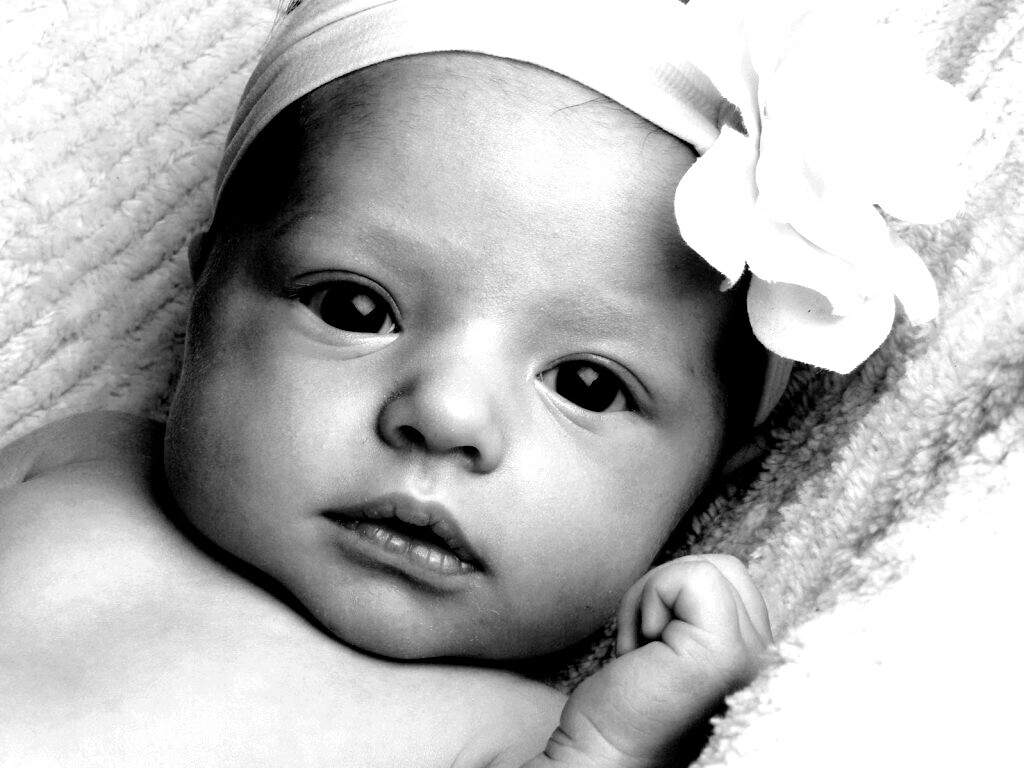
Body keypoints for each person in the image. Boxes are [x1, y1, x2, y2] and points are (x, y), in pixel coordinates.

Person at [0, 0, 972, 765]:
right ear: (204, 294)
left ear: (714, 475)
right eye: (354, 308)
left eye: (586, 384)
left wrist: (618, 745)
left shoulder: (527, 738)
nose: (446, 414)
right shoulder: (79, 463)